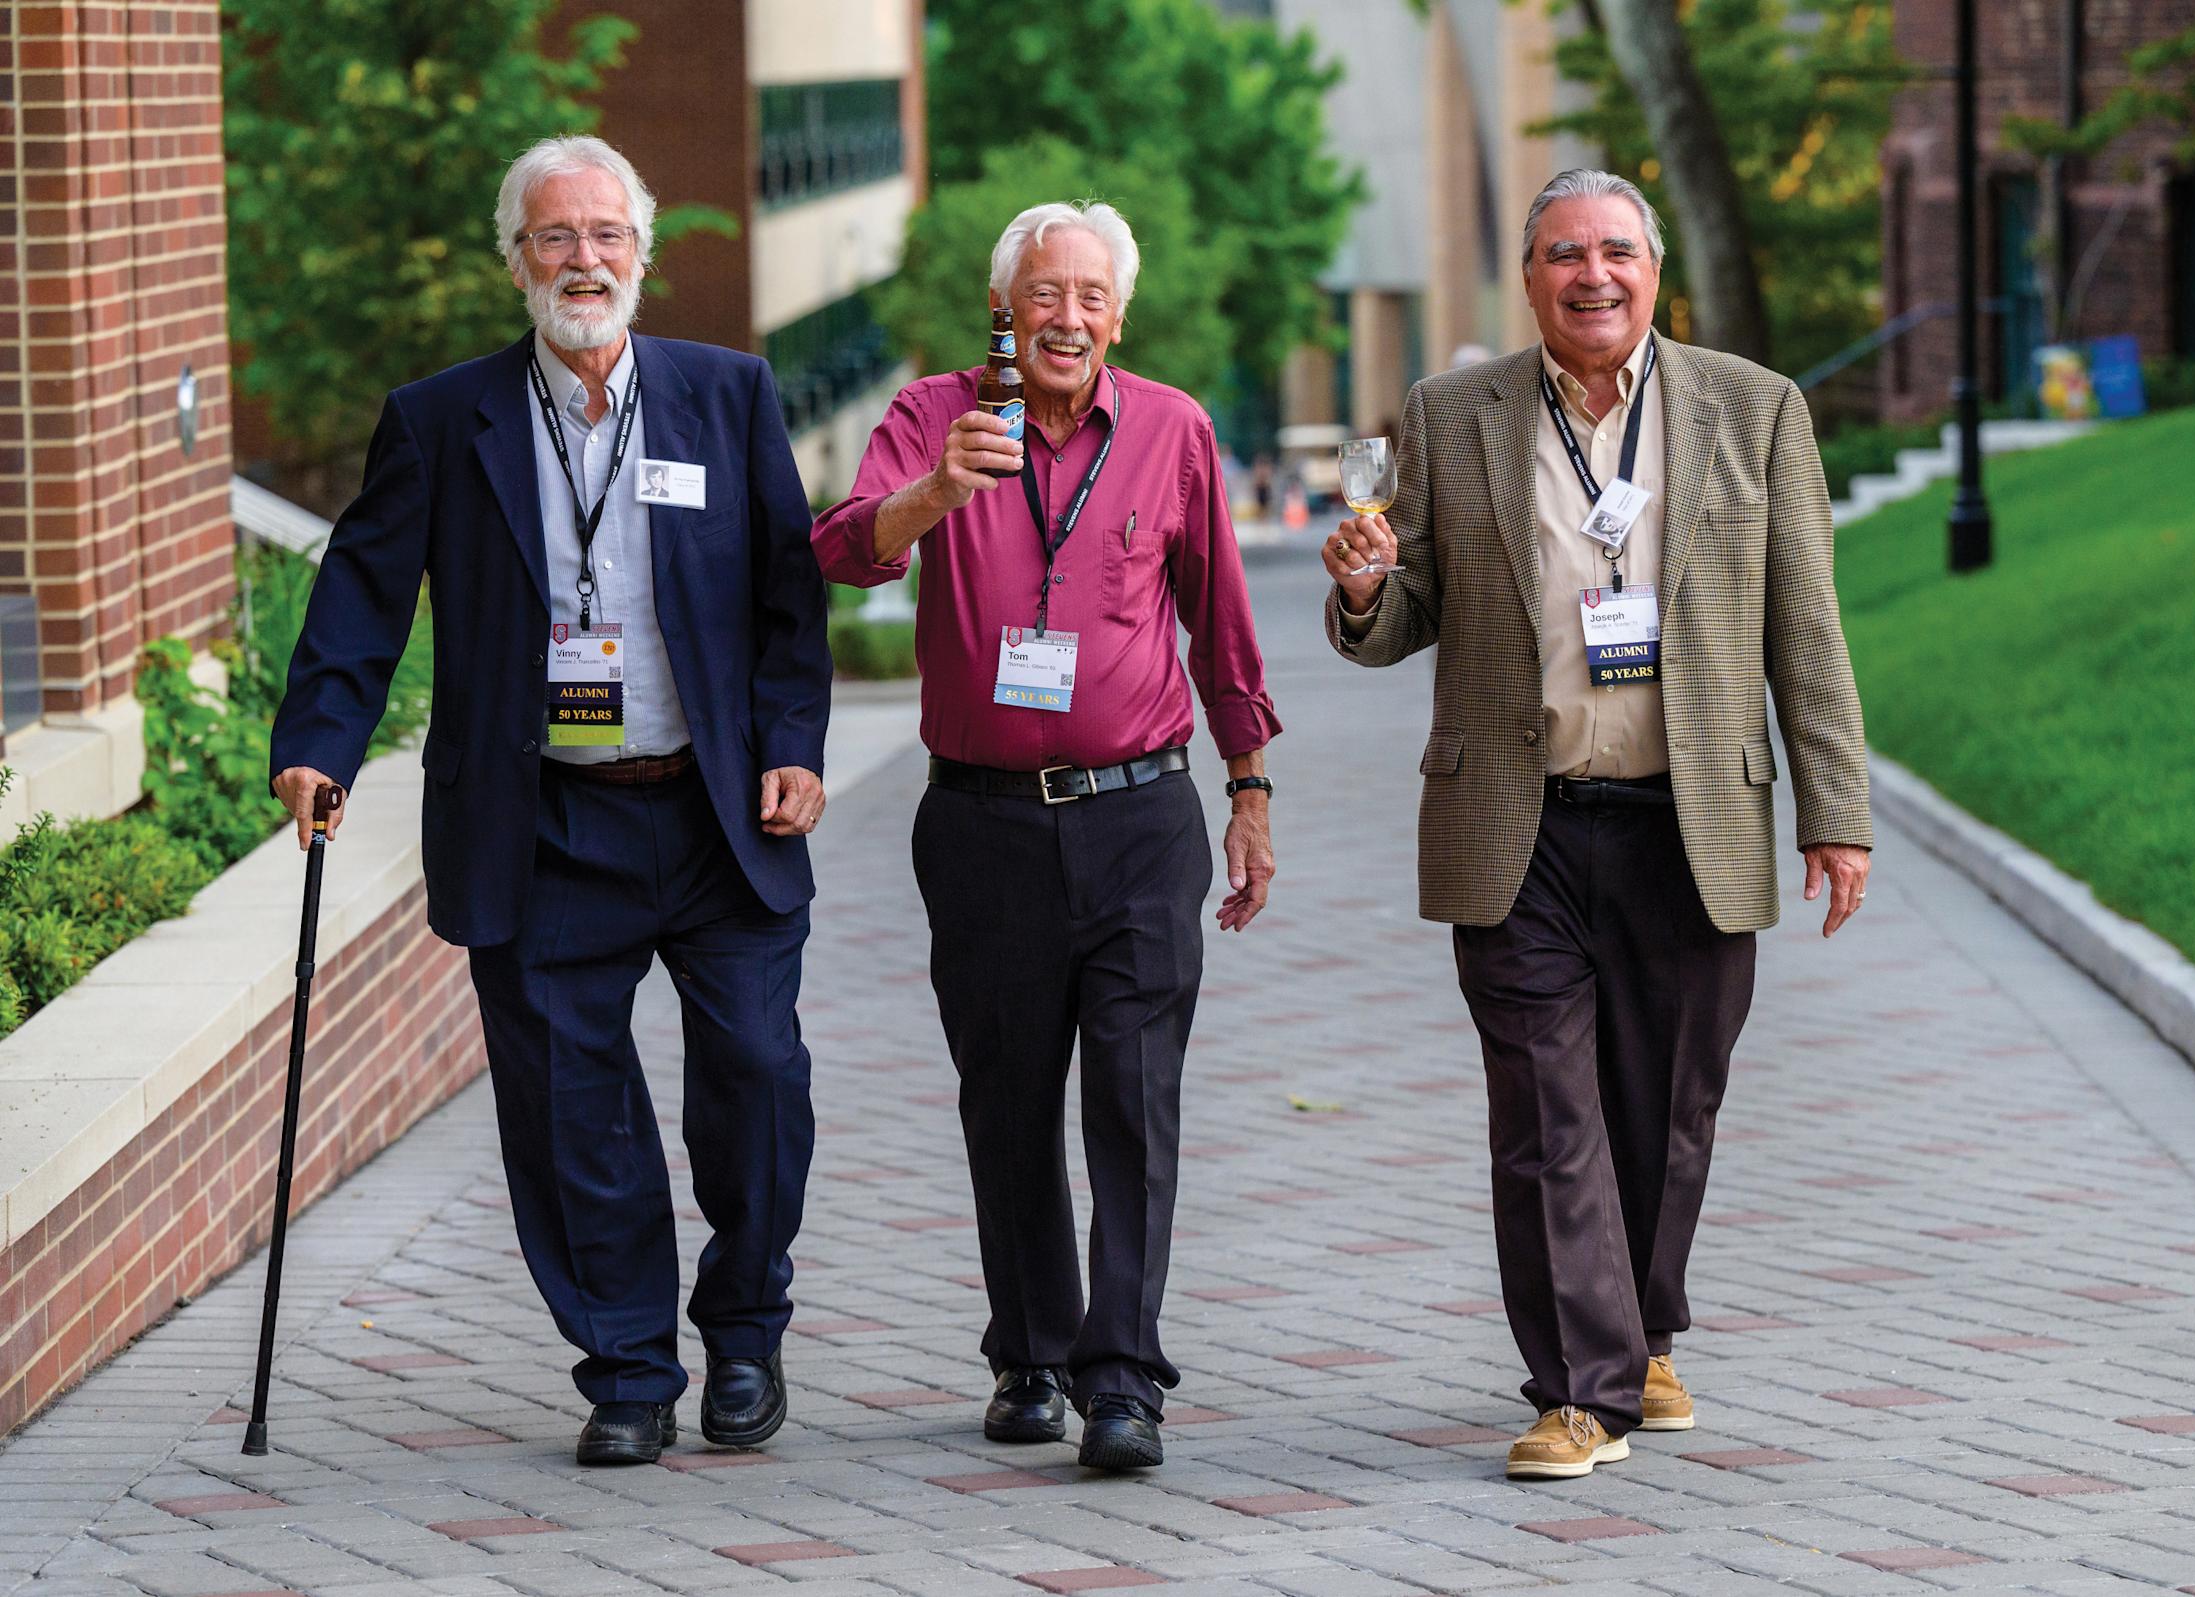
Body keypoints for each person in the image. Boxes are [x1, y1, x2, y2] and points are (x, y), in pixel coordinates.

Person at [268, 136, 833, 1467]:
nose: (584, 260)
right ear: (513, 257)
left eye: (605, 234)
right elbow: (361, 589)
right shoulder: (441, 419)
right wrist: (320, 746)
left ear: (643, 249)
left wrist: (794, 739)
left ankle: (743, 1332)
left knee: (757, 1072)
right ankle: (629, 1365)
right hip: (542, 819)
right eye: (554, 237)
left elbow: (785, 597)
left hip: (712, 815)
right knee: (572, 1110)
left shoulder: (726, 395)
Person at [1322, 169, 1871, 1480]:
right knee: (1544, 1112)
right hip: (1520, 822)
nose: (1592, 274)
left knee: (1666, 1109)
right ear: (1529, 280)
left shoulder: (1755, 410)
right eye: (1564, 252)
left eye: (1616, 250)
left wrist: (1834, 812)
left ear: (1654, 270)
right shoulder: (1451, 416)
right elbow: (1407, 617)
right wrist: (1359, 592)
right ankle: (1582, 1388)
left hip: (1692, 823)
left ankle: (1644, 1326)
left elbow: (1807, 628)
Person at [814, 200, 1280, 1472]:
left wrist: (1250, 791)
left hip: (1141, 814)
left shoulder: (1175, 430)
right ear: (1005, 310)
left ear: (1116, 316)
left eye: (1090, 296)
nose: (1066, 316)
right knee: (1008, 1096)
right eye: (1044, 293)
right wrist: (934, 490)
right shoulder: (930, 417)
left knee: (1133, 1096)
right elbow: (845, 552)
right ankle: (1029, 1348)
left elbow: (1220, 625)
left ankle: (1121, 1375)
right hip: (981, 823)